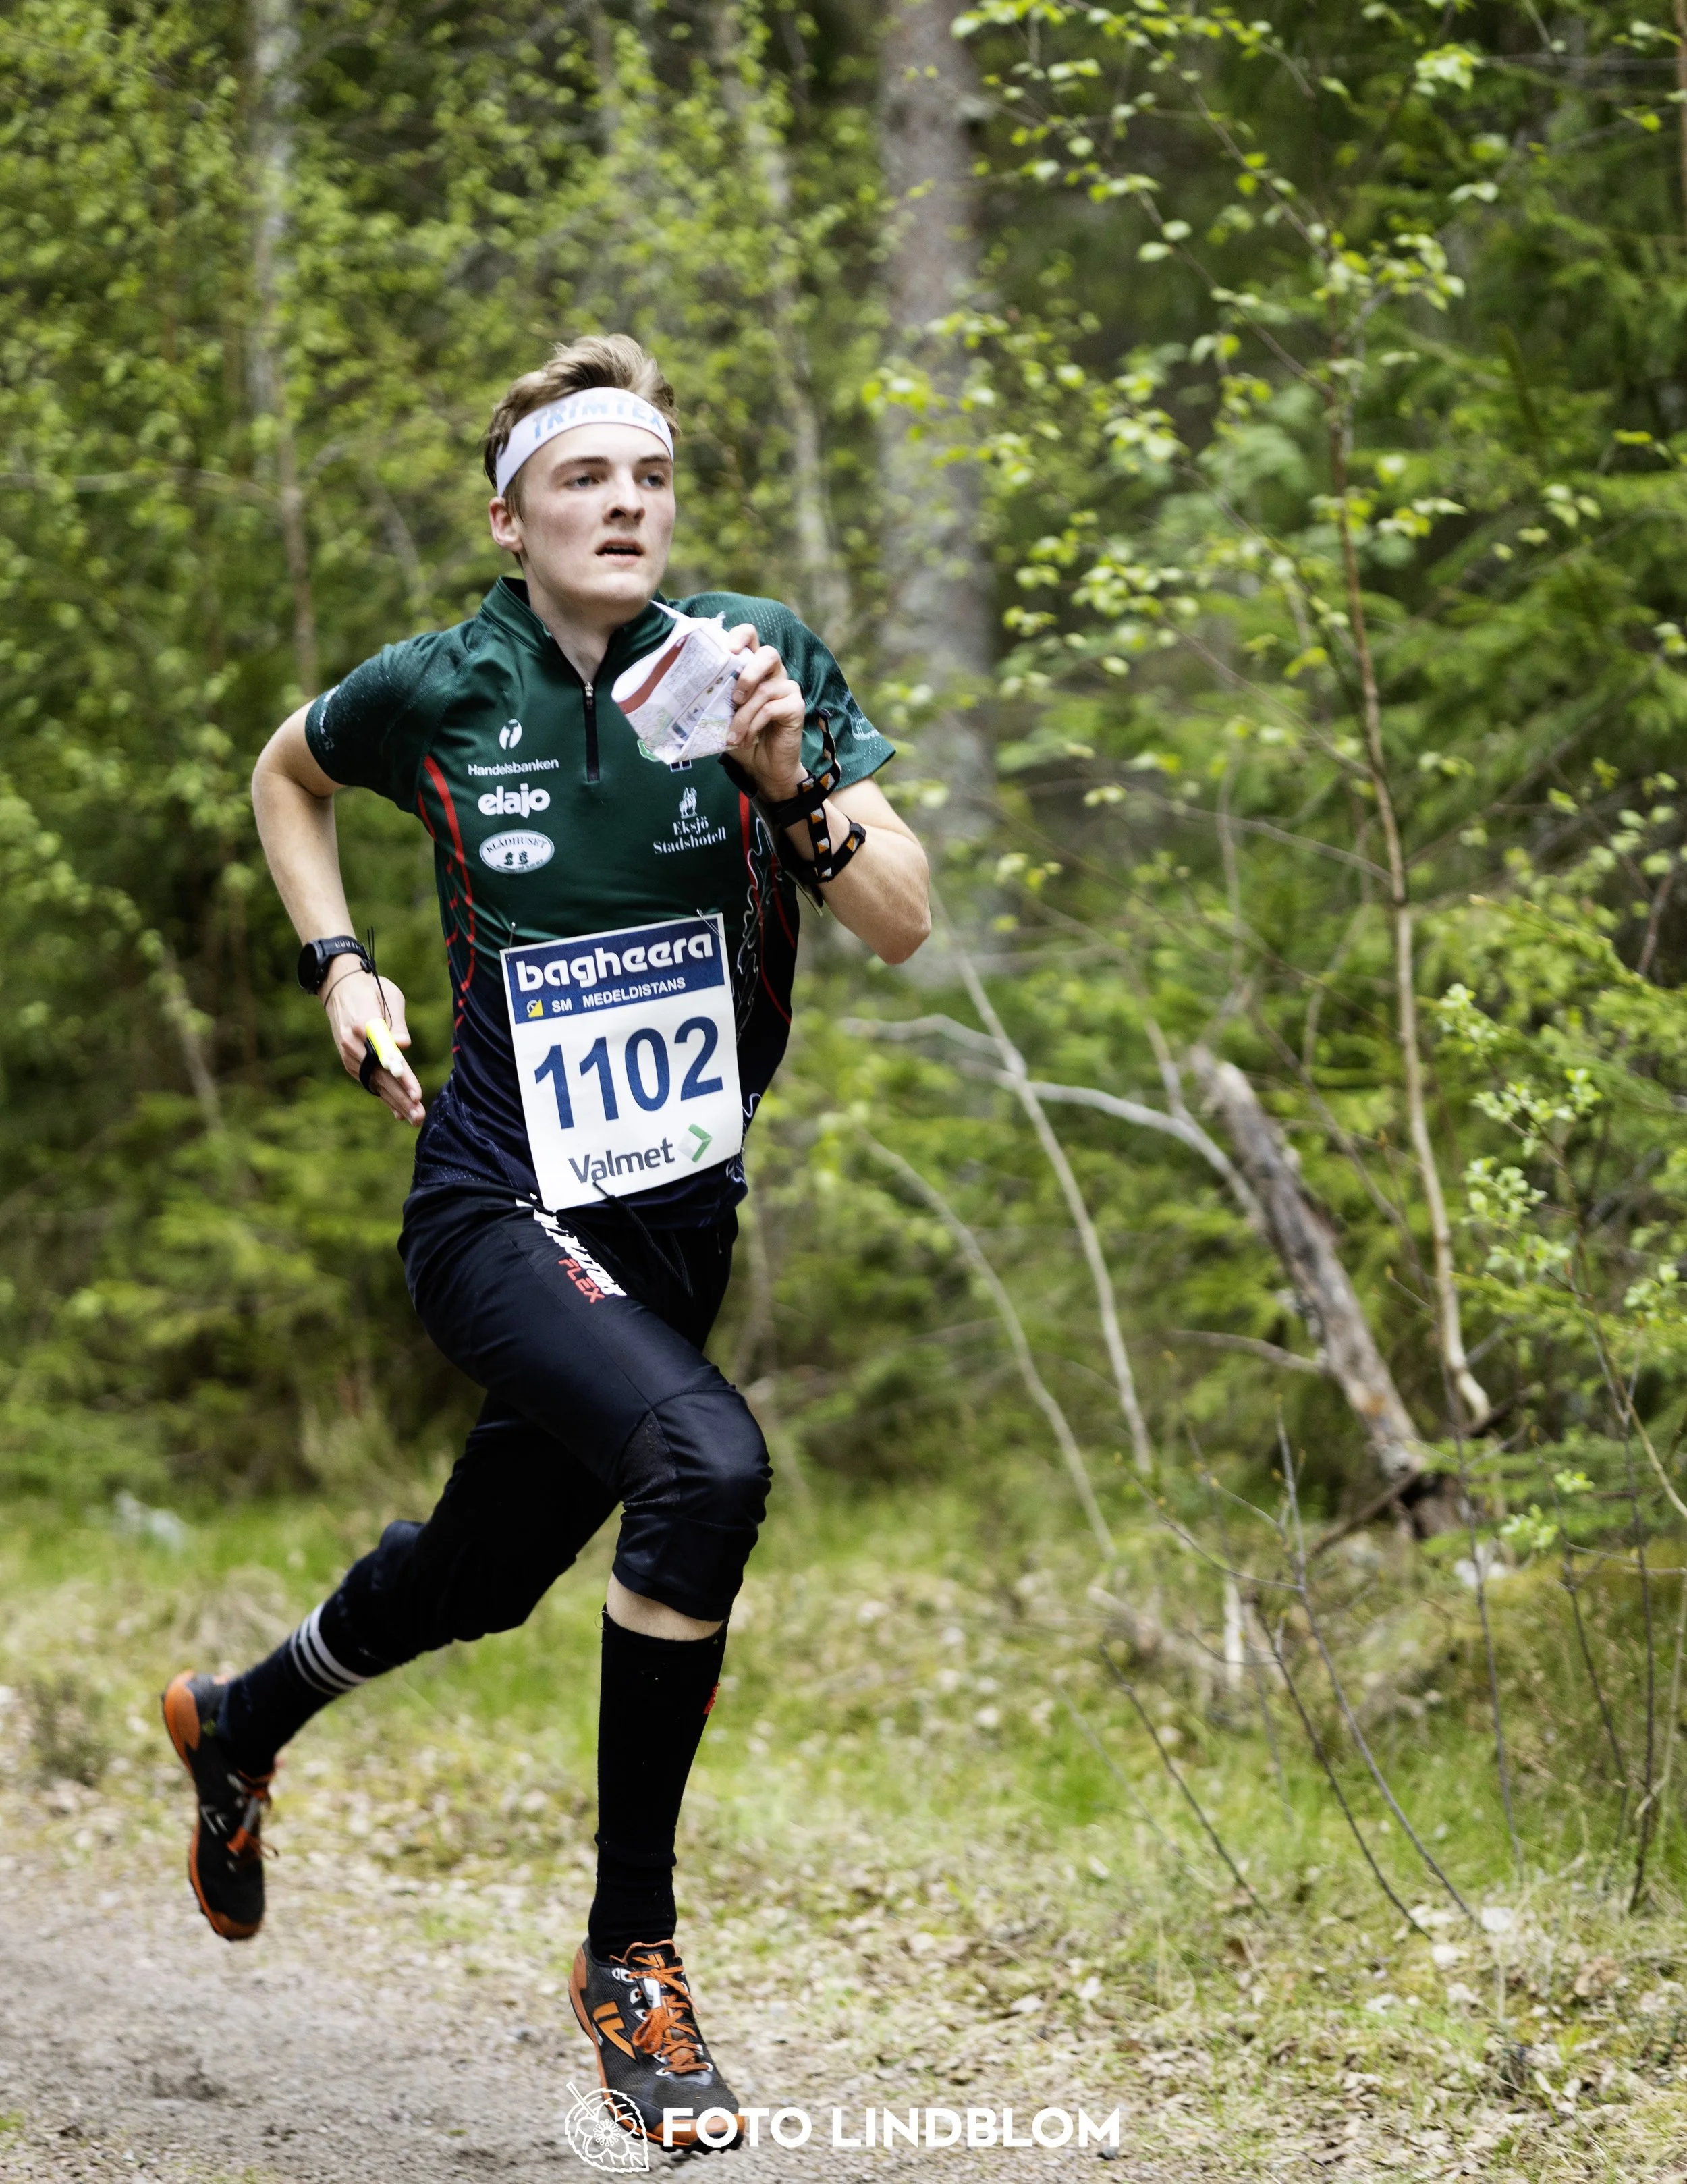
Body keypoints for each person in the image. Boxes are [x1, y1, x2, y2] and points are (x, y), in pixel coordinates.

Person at [159, 334, 930, 2148]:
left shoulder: (754, 662)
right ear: (511, 519)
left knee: (486, 1571)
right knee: (706, 1461)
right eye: (584, 480)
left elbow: (897, 918)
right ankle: (629, 1958)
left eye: (648, 478)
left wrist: (787, 779)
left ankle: (239, 1717)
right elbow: (288, 776)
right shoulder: (443, 682)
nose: (625, 506)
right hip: (493, 1203)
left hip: (671, 1231)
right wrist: (335, 962)